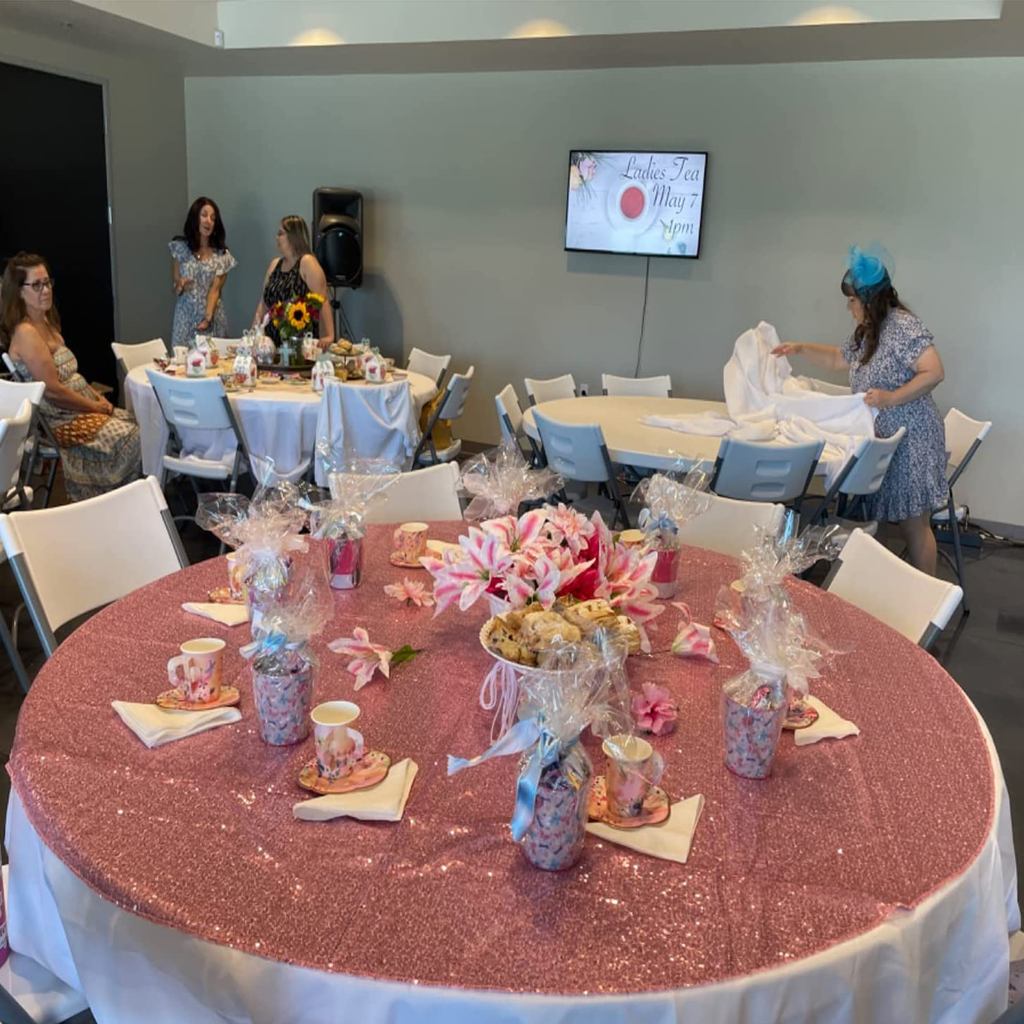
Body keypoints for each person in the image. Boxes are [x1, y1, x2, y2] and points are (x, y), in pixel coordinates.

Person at [772, 246, 946, 575]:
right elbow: (841, 359)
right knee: (895, 520)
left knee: (914, 523)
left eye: (852, 299)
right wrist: (800, 349)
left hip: (914, 439)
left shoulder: (901, 326)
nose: (848, 306)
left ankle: (927, 600)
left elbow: (934, 371)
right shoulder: (869, 330)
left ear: (870, 299)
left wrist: (891, 398)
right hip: (886, 437)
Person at [1, 252, 141, 501]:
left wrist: (97, 398)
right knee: (133, 438)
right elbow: (54, 391)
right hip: (61, 419)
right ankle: (116, 500)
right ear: (19, 292)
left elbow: (72, 377)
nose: (45, 290)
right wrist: (95, 407)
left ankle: (133, 495)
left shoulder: (45, 321)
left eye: (47, 282)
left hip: (80, 406)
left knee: (141, 424)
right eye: (36, 285)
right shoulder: (26, 332)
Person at [251, 215, 334, 348]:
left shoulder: (307, 262)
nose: (276, 238)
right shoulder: (274, 264)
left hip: (299, 342)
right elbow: (263, 303)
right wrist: (254, 332)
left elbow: (322, 301)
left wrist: (329, 335)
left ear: (293, 236)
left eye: (280, 234)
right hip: (270, 343)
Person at [169, 196, 236, 347]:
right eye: (204, 215)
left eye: (213, 218)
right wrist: (180, 285)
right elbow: (176, 285)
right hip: (185, 319)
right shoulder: (180, 249)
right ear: (195, 218)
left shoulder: (222, 255)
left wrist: (207, 318)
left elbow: (215, 290)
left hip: (212, 319)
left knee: (214, 366)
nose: (208, 221)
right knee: (181, 367)